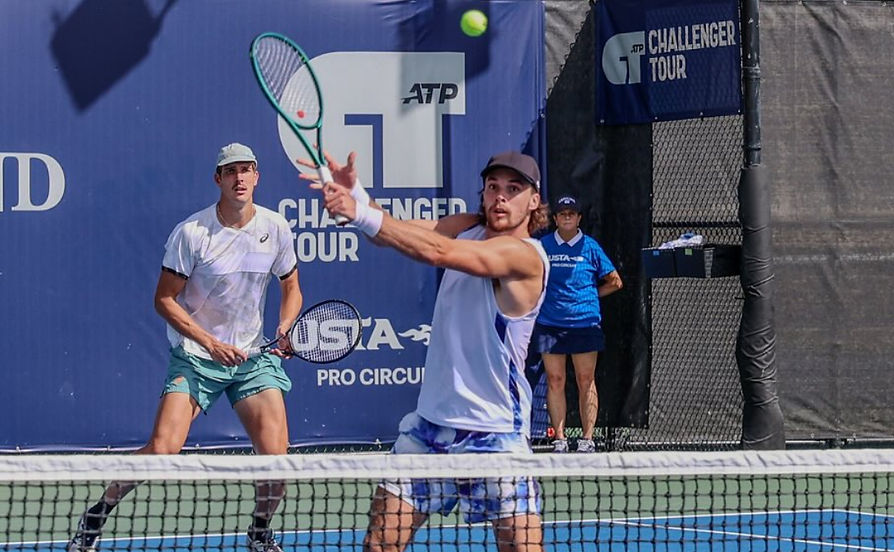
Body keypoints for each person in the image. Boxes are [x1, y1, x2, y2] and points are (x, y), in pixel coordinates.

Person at [302, 150, 549, 552]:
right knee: (379, 543)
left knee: (521, 549)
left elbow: (437, 252)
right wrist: (358, 196)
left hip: (496, 433)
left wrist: (359, 213)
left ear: (534, 201)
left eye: (514, 189)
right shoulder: (466, 225)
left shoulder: (525, 257)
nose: (500, 197)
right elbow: (399, 232)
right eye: (493, 187)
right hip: (429, 429)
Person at [68, 143, 302, 552]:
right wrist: (209, 343)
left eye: (247, 170)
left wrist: (285, 325)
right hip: (197, 357)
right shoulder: (191, 233)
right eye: (231, 172)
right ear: (218, 179)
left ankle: (260, 531)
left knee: (276, 459)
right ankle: (95, 516)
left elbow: (292, 287)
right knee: (163, 449)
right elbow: (163, 301)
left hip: (251, 360)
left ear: (257, 176)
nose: (240, 178)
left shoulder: (276, 227)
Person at [532, 195, 622, 453]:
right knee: (555, 380)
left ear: (579, 218)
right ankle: (559, 439)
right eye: (562, 213)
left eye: (572, 213)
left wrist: (591, 296)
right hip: (550, 324)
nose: (567, 216)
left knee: (586, 380)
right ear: (555, 218)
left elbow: (615, 281)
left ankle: (587, 439)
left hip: (585, 324)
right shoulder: (544, 246)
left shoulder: (591, 247)